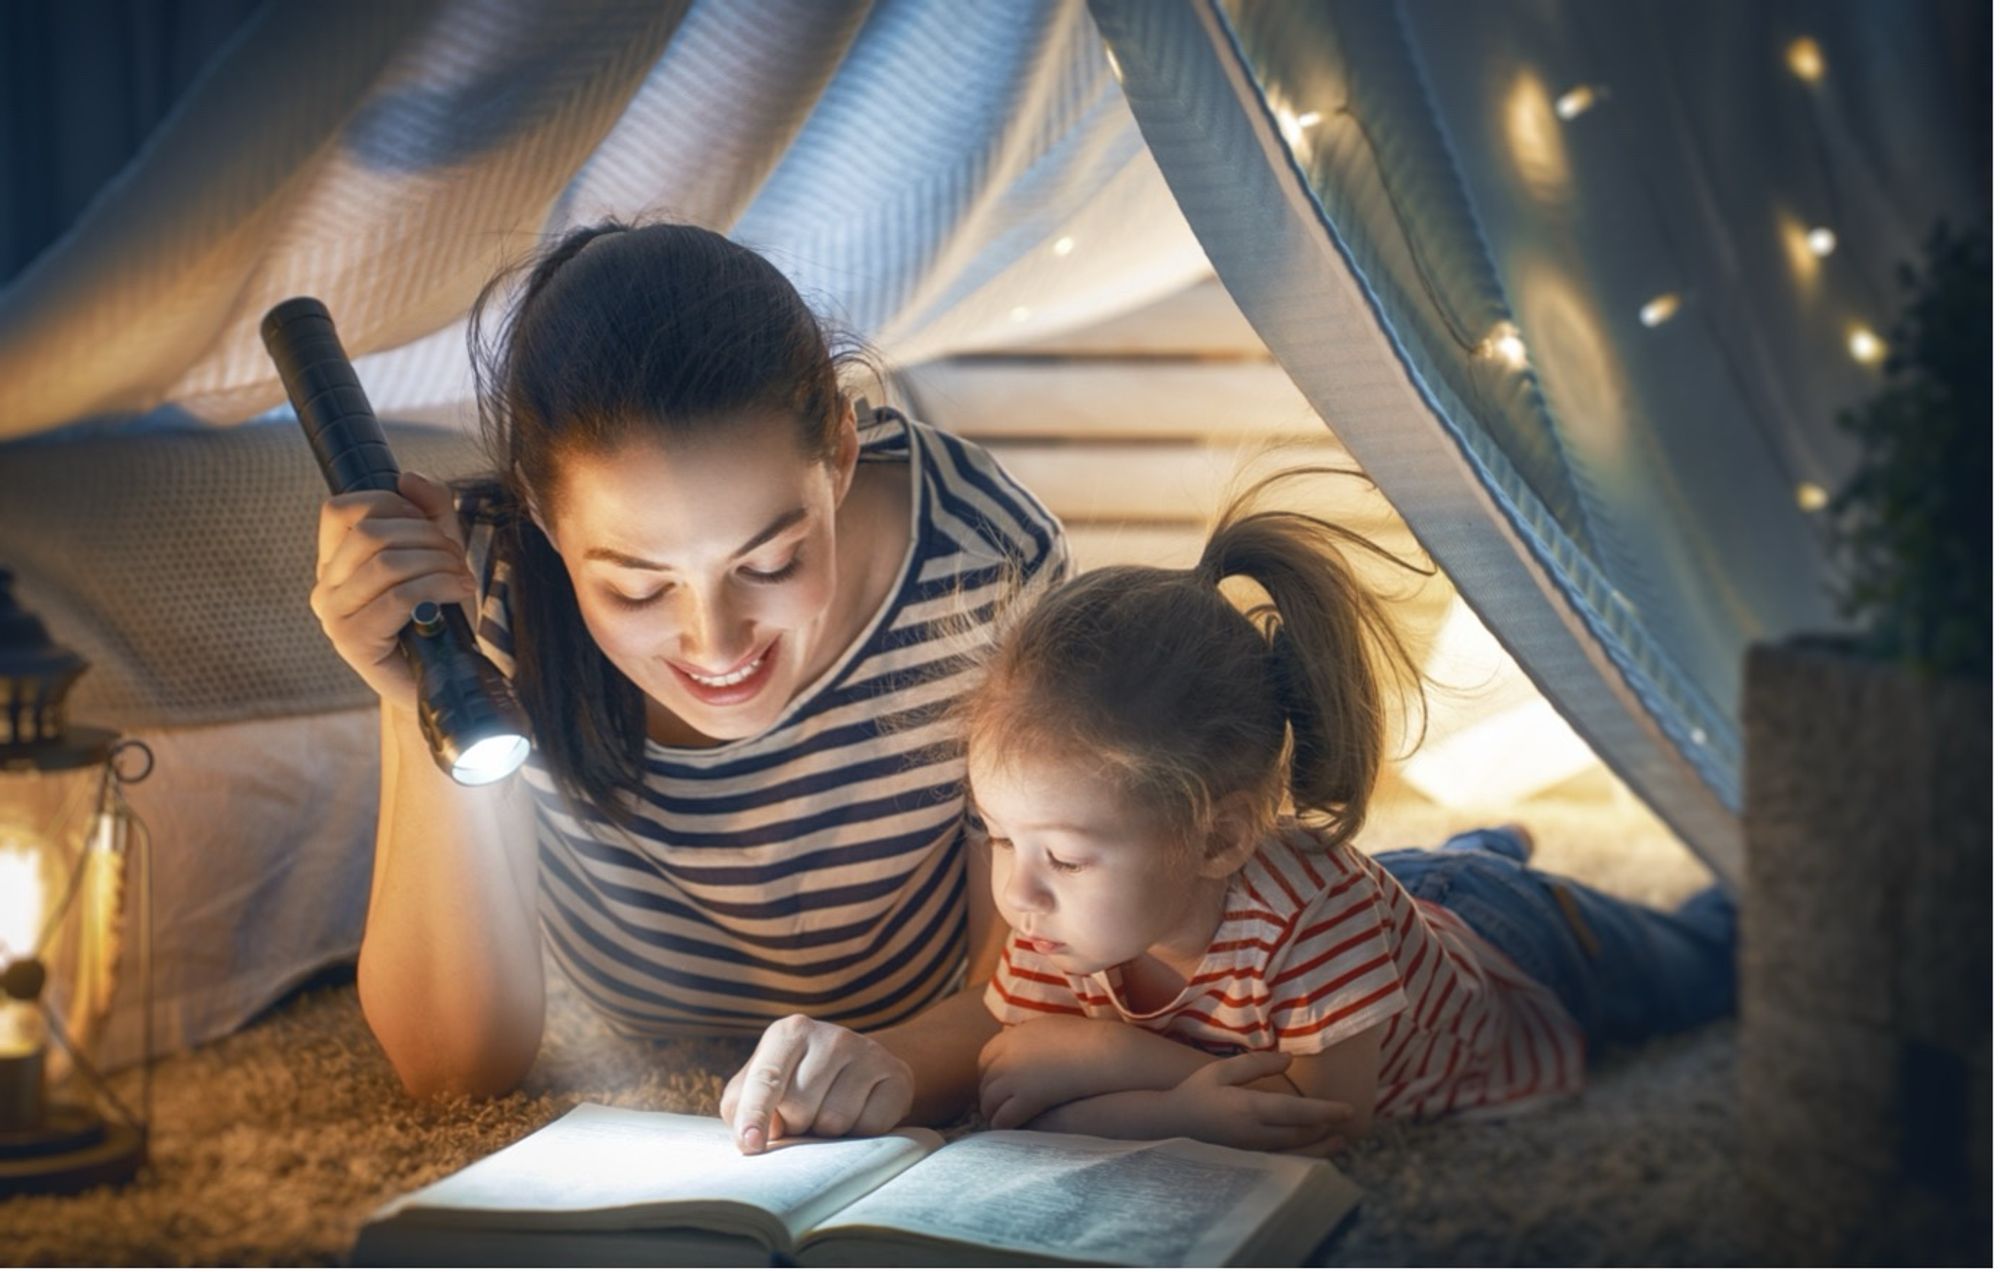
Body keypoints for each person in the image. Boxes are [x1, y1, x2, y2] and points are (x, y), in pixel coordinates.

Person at [308, 220, 1089, 1149]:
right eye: (638, 586)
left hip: (902, 1022)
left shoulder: (979, 553)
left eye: (771, 560)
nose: (714, 645)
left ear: (839, 457)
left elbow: (1044, 977)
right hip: (633, 1055)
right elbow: (453, 1069)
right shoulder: (481, 588)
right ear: (546, 520)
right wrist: (425, 694)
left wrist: (900, 1063)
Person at [967, 473, 1736, 1148]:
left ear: (1220, 837)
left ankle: (1493, 863)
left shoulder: (1314, 912)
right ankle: (1478, 849)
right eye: (1000, 838)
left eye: (1064, 857)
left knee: (1712, 961)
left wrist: (1119, 1065)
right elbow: (1018, 1099)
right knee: (1400, 891)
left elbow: (1324, 1120)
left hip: (1518, 949)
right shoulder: (1055, 916)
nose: (1017, 894)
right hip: (1391, 907)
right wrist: (1184, 1102)